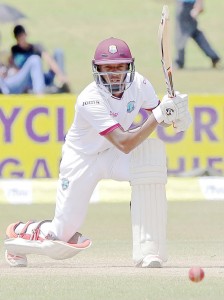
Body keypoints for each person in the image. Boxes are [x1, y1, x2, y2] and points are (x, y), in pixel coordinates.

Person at [4, 37, 191, 268]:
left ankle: (148, 251)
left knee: (149, 164)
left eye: (119, 67)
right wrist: (160, 115)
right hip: (82, 160)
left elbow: (160, 118)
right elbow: (125, 143)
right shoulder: (89, 99)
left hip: (111, 155)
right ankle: (22, 232)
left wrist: (177, 114)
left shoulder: (140, 85)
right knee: (61, 236)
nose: (114, 73)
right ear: (98, 69)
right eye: (107, 68)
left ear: (129, 67)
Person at [9, 24, 71, 93]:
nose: (21, 39)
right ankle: (40, 91)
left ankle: (62, 84)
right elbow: (13, 66)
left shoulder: (36, 47)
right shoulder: (15, 50)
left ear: (26, 35)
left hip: (40, 77)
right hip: (26, 80)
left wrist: (60, 75)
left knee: (58, 52)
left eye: (22, 36)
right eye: (18, 37)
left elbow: (49, 60)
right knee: (34, 59)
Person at [174, 0, 221, 69]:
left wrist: (198, 6)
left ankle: (179, 62)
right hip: (184, 6)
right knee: (195, 33)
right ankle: (214, 56)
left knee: (182, 35)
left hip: (187, 6)